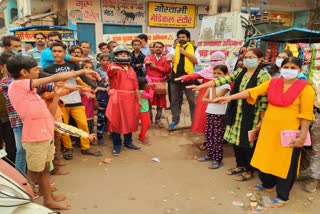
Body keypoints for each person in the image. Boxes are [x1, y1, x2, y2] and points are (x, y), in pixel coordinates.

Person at [214, 57, 315, 207]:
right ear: (280, 68)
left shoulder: (305, 88)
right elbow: (251, 92)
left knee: (285, 164)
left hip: (288, 134)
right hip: (268, 130)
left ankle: (283, 196)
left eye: (293, 67)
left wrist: (301, 136)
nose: (289, 69)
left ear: (300, 70)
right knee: (265, 157)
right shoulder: (273, 83)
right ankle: (268, 185)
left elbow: (306, 115)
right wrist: (229, 97)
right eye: (286, 66)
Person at [6, 55, 98, 210]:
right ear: (23, 72)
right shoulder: (17, 86)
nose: (38, 72)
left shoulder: (32, 92)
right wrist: (80, 71)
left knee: (45, 170)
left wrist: (56, 95)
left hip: (45, 135)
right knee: (33, 174)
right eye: (35, 70)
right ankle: (22, 204)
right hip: (35, 138)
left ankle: (47, 198)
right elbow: (55, 77)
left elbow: (49, 115)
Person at [188, 48, 271, 181]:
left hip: (252, 113)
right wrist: (200, 87)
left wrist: (262, 119)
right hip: (236, 111)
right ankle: (240, 165)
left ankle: (249, 170)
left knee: (247, 142)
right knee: (235, 140)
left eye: (251, 57)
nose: (247, 59)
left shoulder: (263, 75)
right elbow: (222, 79)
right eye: (246, 57)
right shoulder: (240, 72)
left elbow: (265, 100)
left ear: (260, 60)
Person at [43, 42, 102, 159]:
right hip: (60, 102)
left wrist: (95, 86)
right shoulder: (48, 69)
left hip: (76, 99)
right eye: (54, 51)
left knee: (83, 124)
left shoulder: (72, 65)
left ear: (65, 53)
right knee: (64, 127)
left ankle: (85, 147)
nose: (57, 53)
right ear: (51, 53)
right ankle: (68, 148)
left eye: (59, 51)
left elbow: (84, 77)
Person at [176, 51, 230, 134]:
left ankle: (218, 141)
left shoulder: (228, 75)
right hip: (206, 98)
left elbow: (224, 93)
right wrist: (185, 77)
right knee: (205, 118)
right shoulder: (207, 71)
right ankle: (208, 139)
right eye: (212, 60)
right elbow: (196, 75)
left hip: (221, 103)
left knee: (219, 123)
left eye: (217, 61)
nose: (214, 63)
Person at [106, 44, 141, 155]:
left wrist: (138, 99)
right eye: (121, 53)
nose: (123, 55)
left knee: (129, 120)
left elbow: (136, 86)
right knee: (116, 121)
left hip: (130, 98)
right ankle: (117, 145)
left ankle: (128, 142)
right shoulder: (112, 65)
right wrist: (113, 69)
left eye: (125, 53)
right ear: (116, 55)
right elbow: (110, 71)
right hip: (118, 98)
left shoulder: (130, 68)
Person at [198, 65, 230, 169]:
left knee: (217, 137)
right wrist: (213, 98)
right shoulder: (211, 85)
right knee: (209, 135)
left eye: (219, 73)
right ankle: (210, 155)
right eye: (214, 73)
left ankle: (217, 159)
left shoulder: (226, 86)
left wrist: (213, 91)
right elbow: (204, 99)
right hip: (210, 112)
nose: (216, 75)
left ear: (225, 75)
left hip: (220, 114)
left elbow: (216, 99)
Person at [169, 29, 201, 129]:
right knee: (175, 100)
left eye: (183, 37)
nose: (181, 39)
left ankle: (194, 122)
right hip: (175, 78)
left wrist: (185, 53)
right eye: (179, 37)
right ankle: (175, 120)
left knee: (192, 101)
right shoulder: (174, 48)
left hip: (189, 78)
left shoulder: (195, 48)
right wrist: (171, 55)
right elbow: (169, 56)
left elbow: (196, 61)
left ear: (188, 38)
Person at [144, 41, 171, 126]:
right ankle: (149, 119)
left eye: (160, 47)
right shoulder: (149, 57)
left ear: (163, 49)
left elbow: (168, 70)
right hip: (150, 82)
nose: (158, 48)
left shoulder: (165, 59)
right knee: (148, 102)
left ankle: (158, 119)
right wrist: (150, 63)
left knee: (160, 102)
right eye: (156, 47)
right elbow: (146, 62)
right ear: (153, 48)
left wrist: (156, 67)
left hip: (160, 83)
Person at [0, 54, 16, 164]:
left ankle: (13, 168)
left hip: (8, 117)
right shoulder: (5, 81)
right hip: (4, 115)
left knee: (11, 145)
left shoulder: (14, 78)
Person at [95, 53, 110, 145]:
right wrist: (101, 81)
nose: (105, 62)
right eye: (103, 60)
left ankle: (112, 133)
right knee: (101, 117)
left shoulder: (112, 70)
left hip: (112, 96)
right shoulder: (96, 71)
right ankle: (100, 136)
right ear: (99, 61)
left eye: (107, 60)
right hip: (101, 96)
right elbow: (94, 84)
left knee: (112, 116)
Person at [138, 77, 153, 145]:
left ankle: (141, 135)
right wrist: (151, 89)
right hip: (142, 110)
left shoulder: (141, 91)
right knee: (145, 125)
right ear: (143, 85)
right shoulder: (141, 92)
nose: (147, 84)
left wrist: (149, 87)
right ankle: (142, 138)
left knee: (148, 124)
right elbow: (150, 96)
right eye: (146, 83)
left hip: (145, 109)